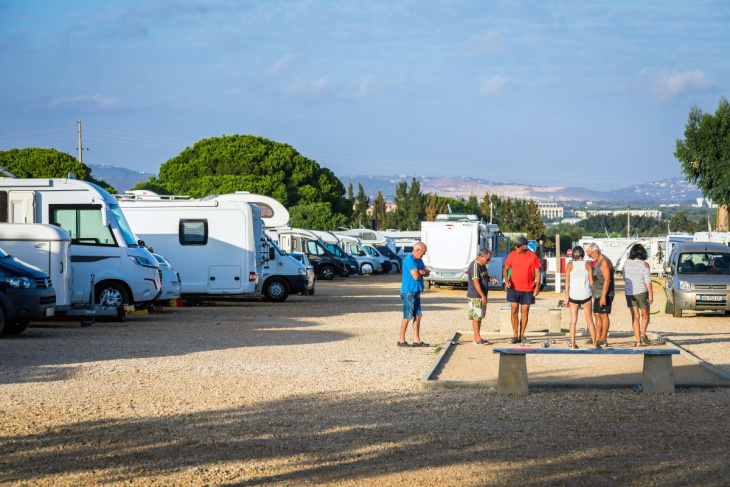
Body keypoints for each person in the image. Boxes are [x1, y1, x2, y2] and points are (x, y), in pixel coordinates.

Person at [503, 236, 542, 344]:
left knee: (525, 312)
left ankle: (522, 335)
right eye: (515, 245)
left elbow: (537, 272)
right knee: (514, 310)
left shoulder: (532, 256)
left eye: (518, 246)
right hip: (513, 288)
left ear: (524, 246)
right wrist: (506, 280)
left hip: (528, 288)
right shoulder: (512, 255)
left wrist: (537, 286)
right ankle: (515, 335)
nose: (516, 247)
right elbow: (505, 269)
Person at [564, 246, 600, 349]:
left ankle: (573, 343)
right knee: (589, 320)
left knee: (573, 320)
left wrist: (566, 296)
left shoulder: (569, 265)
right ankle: (594, 343)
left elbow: (567, 283)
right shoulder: (588, 264)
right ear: (583, 254)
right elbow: (591, 282)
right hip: (585, 294)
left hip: (574, 295)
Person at [398, 242, 430, 348]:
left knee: (418, 316)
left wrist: (422, 272)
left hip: (416, 291)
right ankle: (401, 340)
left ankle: (417, 340)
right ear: (417, 250)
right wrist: (422, 272)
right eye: (423, 253)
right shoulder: (409, 260)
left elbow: (427, 272)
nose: (423, 255)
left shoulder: (419, 260)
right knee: (407, 316)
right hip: (408, 291)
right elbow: (416, 276)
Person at [622, 243, 654, 347]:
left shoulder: (626, 263)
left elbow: (624, 277)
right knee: (645, 314)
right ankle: (643, 333)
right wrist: (651, 295)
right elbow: (648, 281)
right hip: (641, 291)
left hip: (629, 292)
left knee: (635, 316)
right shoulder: (644, 264)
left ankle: (638, 341)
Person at [467, 249, 499, 345]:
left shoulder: (482, 265)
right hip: (476, 295)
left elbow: (484, 277)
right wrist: (482, 296)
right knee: (476, 316)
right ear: (481, 257)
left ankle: (476, 337)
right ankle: (477, 338)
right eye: (488, 259)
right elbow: (476, 282)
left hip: (481, 295)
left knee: (479, 316)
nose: (488, 261)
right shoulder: (475, 265)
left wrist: (491, 278)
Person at [585, 243, 614, 347]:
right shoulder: (597, 262)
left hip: (605, 293)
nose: (589, 257)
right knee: (597, 314)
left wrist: (603, 296)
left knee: (604, 315)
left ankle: (604, 338)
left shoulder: (604, 261)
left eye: (590, 254)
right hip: (597, 293)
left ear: (596, 251)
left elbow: (607, 279)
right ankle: (597, 337)